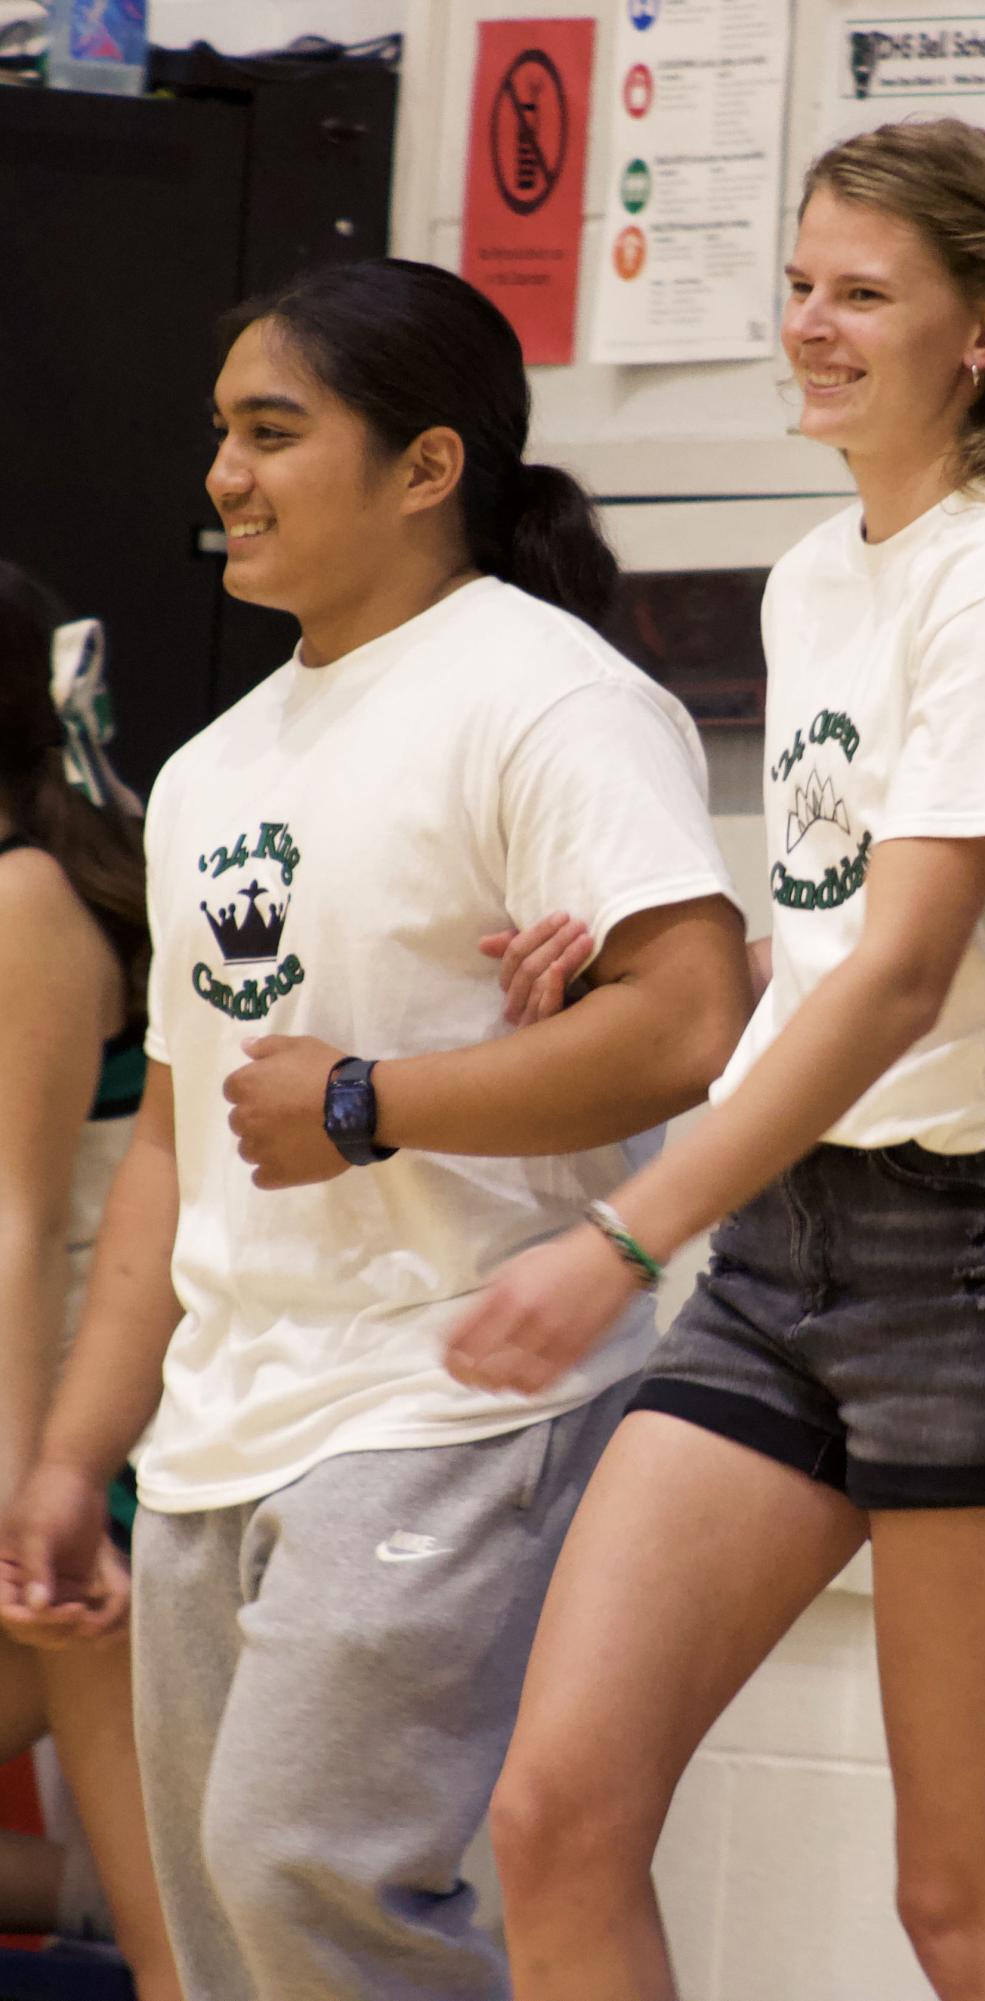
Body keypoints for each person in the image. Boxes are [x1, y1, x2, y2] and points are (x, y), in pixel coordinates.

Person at [444, 120, 985, 2001]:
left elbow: (910, 979)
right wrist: (637, 975)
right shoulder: (818, 576)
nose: (811, 325)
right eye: (800, 284)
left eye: (864, 294)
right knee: (556, 1815)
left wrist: (624, 1233)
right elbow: (838, 944)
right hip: (794, 1249)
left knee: (967, 1902)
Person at [0, 258, 749, 2001]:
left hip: (451, 1390)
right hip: (214, 1428)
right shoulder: (208, 773)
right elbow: (179, 1161)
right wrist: (67, 1453)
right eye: (220, 435)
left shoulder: (546, 694)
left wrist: (370, 1101)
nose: (223, 474)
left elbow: (692, 1013)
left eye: (274, 432)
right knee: (210, 1930)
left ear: (425, 467)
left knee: (301, 1869)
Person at [0, 565, 181, 2000]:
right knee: (160, 1902)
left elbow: (14, 1220)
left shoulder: (28, 897)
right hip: (61, 1447)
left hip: (86, 1459)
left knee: (176, 1923)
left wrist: (25, 1490)